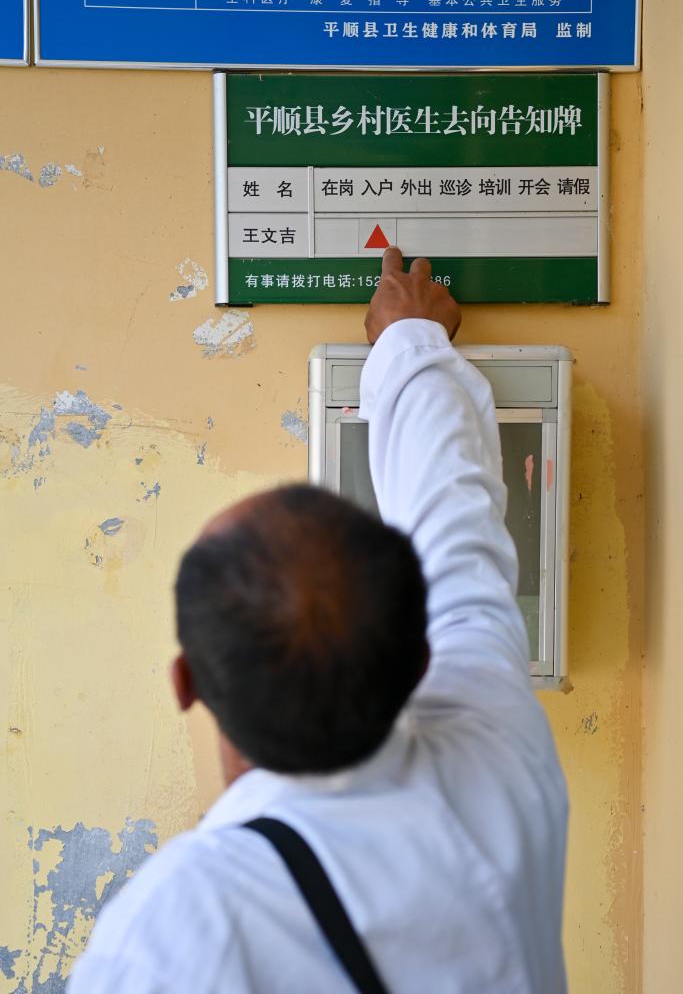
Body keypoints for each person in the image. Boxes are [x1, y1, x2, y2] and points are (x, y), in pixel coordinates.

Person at [67, 247, 568, 993]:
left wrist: (410, 344)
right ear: (419, 659)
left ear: (186, 683)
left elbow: (456, 533)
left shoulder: (180, 924)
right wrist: (409, 342)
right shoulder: (497, 751)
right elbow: (455, 517)